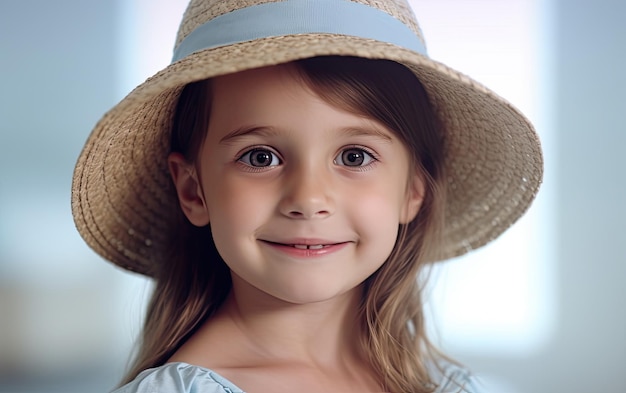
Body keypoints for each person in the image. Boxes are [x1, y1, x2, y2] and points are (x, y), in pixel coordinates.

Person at [71, 0, 543, 392]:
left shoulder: (455, 386)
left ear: (413, 190)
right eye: (260, 157)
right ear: (193, 191)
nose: (309, 198)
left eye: (355, 157)